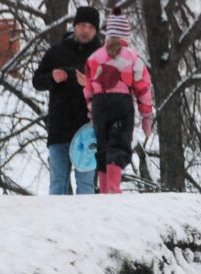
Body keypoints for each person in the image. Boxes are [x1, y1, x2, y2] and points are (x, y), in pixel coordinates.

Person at [32, 7, 103, 195]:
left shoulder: (102, 57)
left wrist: (89, 85)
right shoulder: (56, 52)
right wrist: (52, 78)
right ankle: (55, 224)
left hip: (88, 131)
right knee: (57, 184)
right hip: (59, 128)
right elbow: (36, 81)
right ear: (74, 26)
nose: (85, 30)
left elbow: (114, 92)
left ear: (96, 30)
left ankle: (85, 224)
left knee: (86, 186)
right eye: (82, 25)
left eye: (90, 26)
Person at [83, 8, 153, 194]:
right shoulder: (132, 58)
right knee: (119, 141)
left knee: (103, 144)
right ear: (126, 37)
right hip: (121, 103)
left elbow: (88, 86)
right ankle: (114, 186)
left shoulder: (94, 58)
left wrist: (91, 107)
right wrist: (146, 115)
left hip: (99, 104)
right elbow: (143, 87)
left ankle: (105, 188)